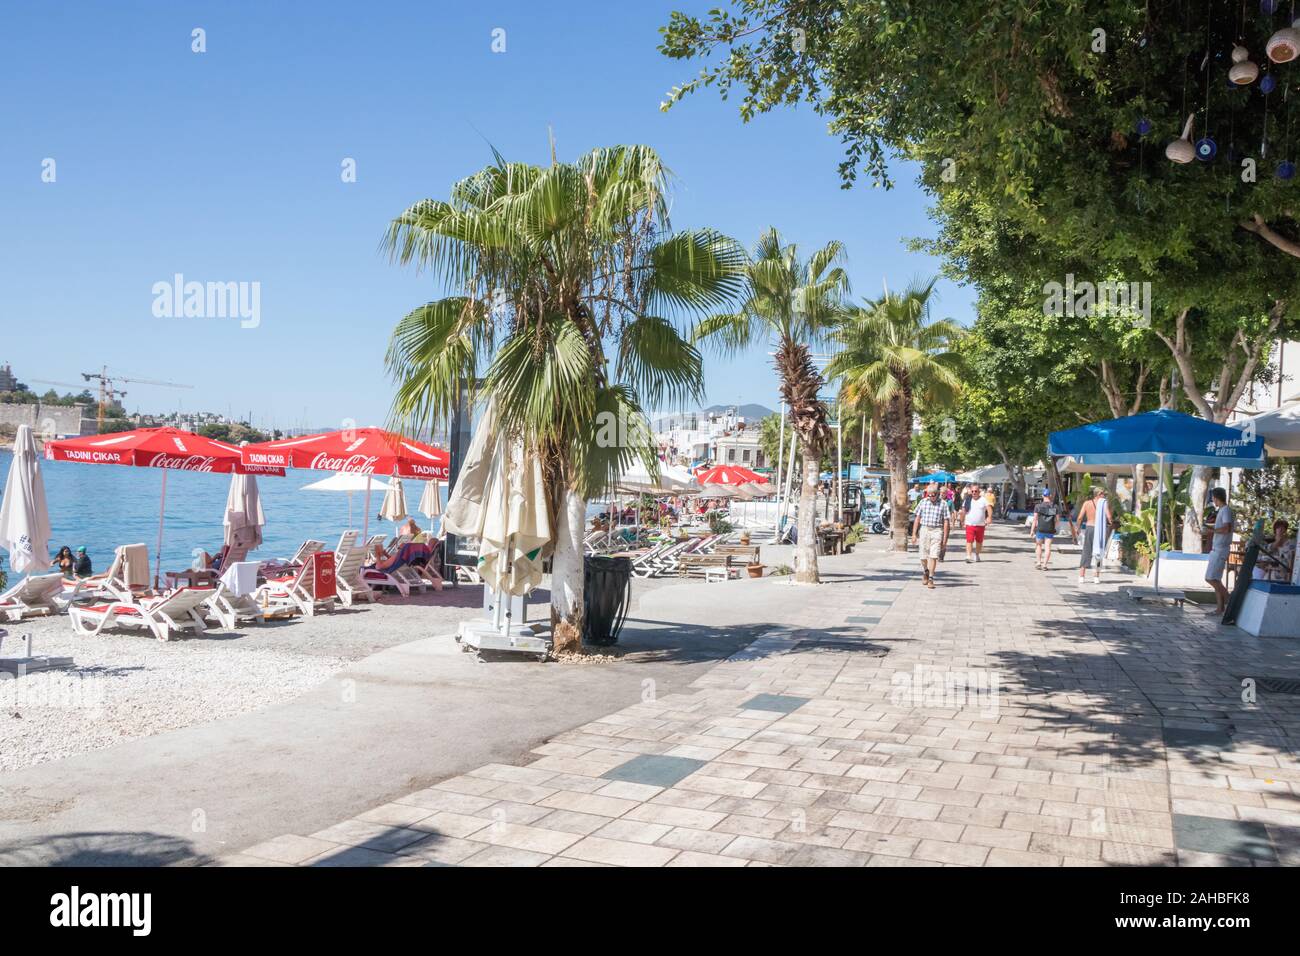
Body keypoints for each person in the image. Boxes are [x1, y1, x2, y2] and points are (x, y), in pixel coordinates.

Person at [910, 482, 950, 589]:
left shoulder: (943, 504)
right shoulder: (923, 502)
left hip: (937, 530)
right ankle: (926, 571)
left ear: (937, 494)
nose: (932, 497)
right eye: (929, 495)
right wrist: (914, 534)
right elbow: (917, 518)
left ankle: (931, 578)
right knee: (923, 556)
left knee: (934, 555)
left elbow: (946, 522)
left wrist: (945, 540)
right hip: (925, 529)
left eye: (934, 494)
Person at [1204, 488, 1235, 614]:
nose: (1213, 500)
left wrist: (1212, 531)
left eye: (1213, 498)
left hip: (1220, 549)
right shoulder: (1222, 511)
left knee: (1210, 578)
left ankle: (1230, 602)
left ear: (1217, 497)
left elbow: (1226, 528)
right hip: (1217, 549)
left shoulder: (1226, 510)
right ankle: (1220, 608)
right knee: (1215, 579)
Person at [1075, 486, 1110, 584]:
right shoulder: (1103, 504)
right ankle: (1096, 577)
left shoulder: (1087, 503)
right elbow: (1109, 517)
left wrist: (1077, 528)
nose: (1105, 496)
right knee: (1099, 551)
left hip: (1089, 528)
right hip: (1100, 530)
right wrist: (1110, 523)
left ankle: (1082, 576)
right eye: (1104, 494)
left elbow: (1080, 517)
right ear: (1099, 494)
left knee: (1087, 551)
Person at [961, 484, 991, 563]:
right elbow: (963, 510)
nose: (974, 493)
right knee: (969, 541)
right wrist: (962, 520)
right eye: (972, 491)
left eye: (976, 491)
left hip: (980, 525)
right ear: (970, 491)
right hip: (969, 524)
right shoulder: (967, 499)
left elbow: (989, 508)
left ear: (979, 492)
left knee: (979, 541)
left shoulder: (983, 500)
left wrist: (989, 517)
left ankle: (977, 554)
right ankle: (968, 556)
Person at [1030, 490, 1060, 570]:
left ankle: (1039, 562)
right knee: (1048, 547)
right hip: (1050, 529)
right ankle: (1045, 565)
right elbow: (1057, 520)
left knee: (1038, 545)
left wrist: (1032, 530)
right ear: (1050, 495)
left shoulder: (1038, 506)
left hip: (1040, 529)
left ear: (1042, 496)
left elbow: (1035, 519)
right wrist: (1054, 527)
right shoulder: (1055, 506)